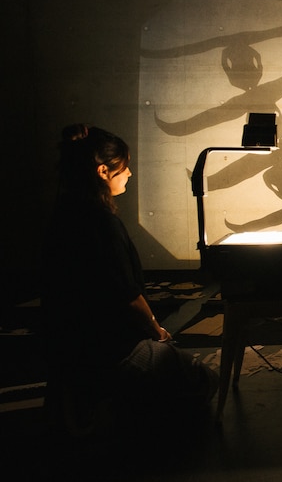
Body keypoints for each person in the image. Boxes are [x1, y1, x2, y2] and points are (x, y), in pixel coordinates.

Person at [43, 124, 217, 437]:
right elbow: (127, 294)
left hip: (71, 346)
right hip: (112, 350)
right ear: (102, 171)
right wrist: (156, 329)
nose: (130, 174)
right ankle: (123, 409)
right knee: (204, 379)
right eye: (124, 168)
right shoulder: (102, 225)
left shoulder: (64, 214)